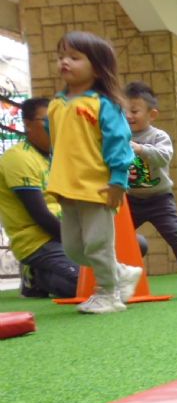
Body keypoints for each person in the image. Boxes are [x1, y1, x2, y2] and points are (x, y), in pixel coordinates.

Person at [46, 31, 138, 314]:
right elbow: (58, 145)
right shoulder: (56, 104)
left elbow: (118, 143)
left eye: (74, 57)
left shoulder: (103, 104)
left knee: (98, 244)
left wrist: (118, 181)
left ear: (97, 68)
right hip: (67, 187)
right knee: (74, 249)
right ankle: (121, 272)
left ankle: (108, 293)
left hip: (97, 187)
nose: (65, 62)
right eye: (61, 57)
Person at [124, 81, 177, 291]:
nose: (129, 115)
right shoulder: (120, 137)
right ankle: (115, 276)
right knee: (116, 235)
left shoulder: (158, 136)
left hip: (159, 199)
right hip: (130, 199)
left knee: (176, 235)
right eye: (124, 111)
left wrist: (140, 149)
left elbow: (164, 157)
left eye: (134, 111)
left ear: (152, 115)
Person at [0, 97, 79, 298]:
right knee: (82, 282)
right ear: (28, 124)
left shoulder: (59, 157)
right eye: (48, 121)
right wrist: (79, 240)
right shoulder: (18, 158)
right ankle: (34, 276)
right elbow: (40, 215)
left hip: (67, 233)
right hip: (39, 241)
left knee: (138, 244)